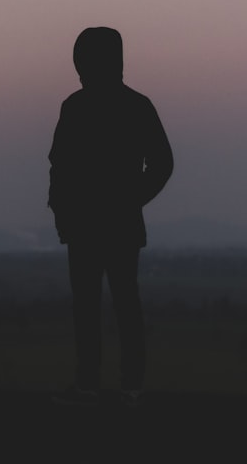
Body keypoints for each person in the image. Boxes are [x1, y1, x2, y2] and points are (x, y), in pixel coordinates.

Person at [47, 27, 173, 407]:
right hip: (94, 224)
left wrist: (130, 200)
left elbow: (162, 164)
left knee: (118, 306)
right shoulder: (80, 106)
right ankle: (101, 386)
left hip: (103, 224)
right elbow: (59, 165)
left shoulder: (127, 106)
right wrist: (62, 209)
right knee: (97, 307)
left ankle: (124, 387)